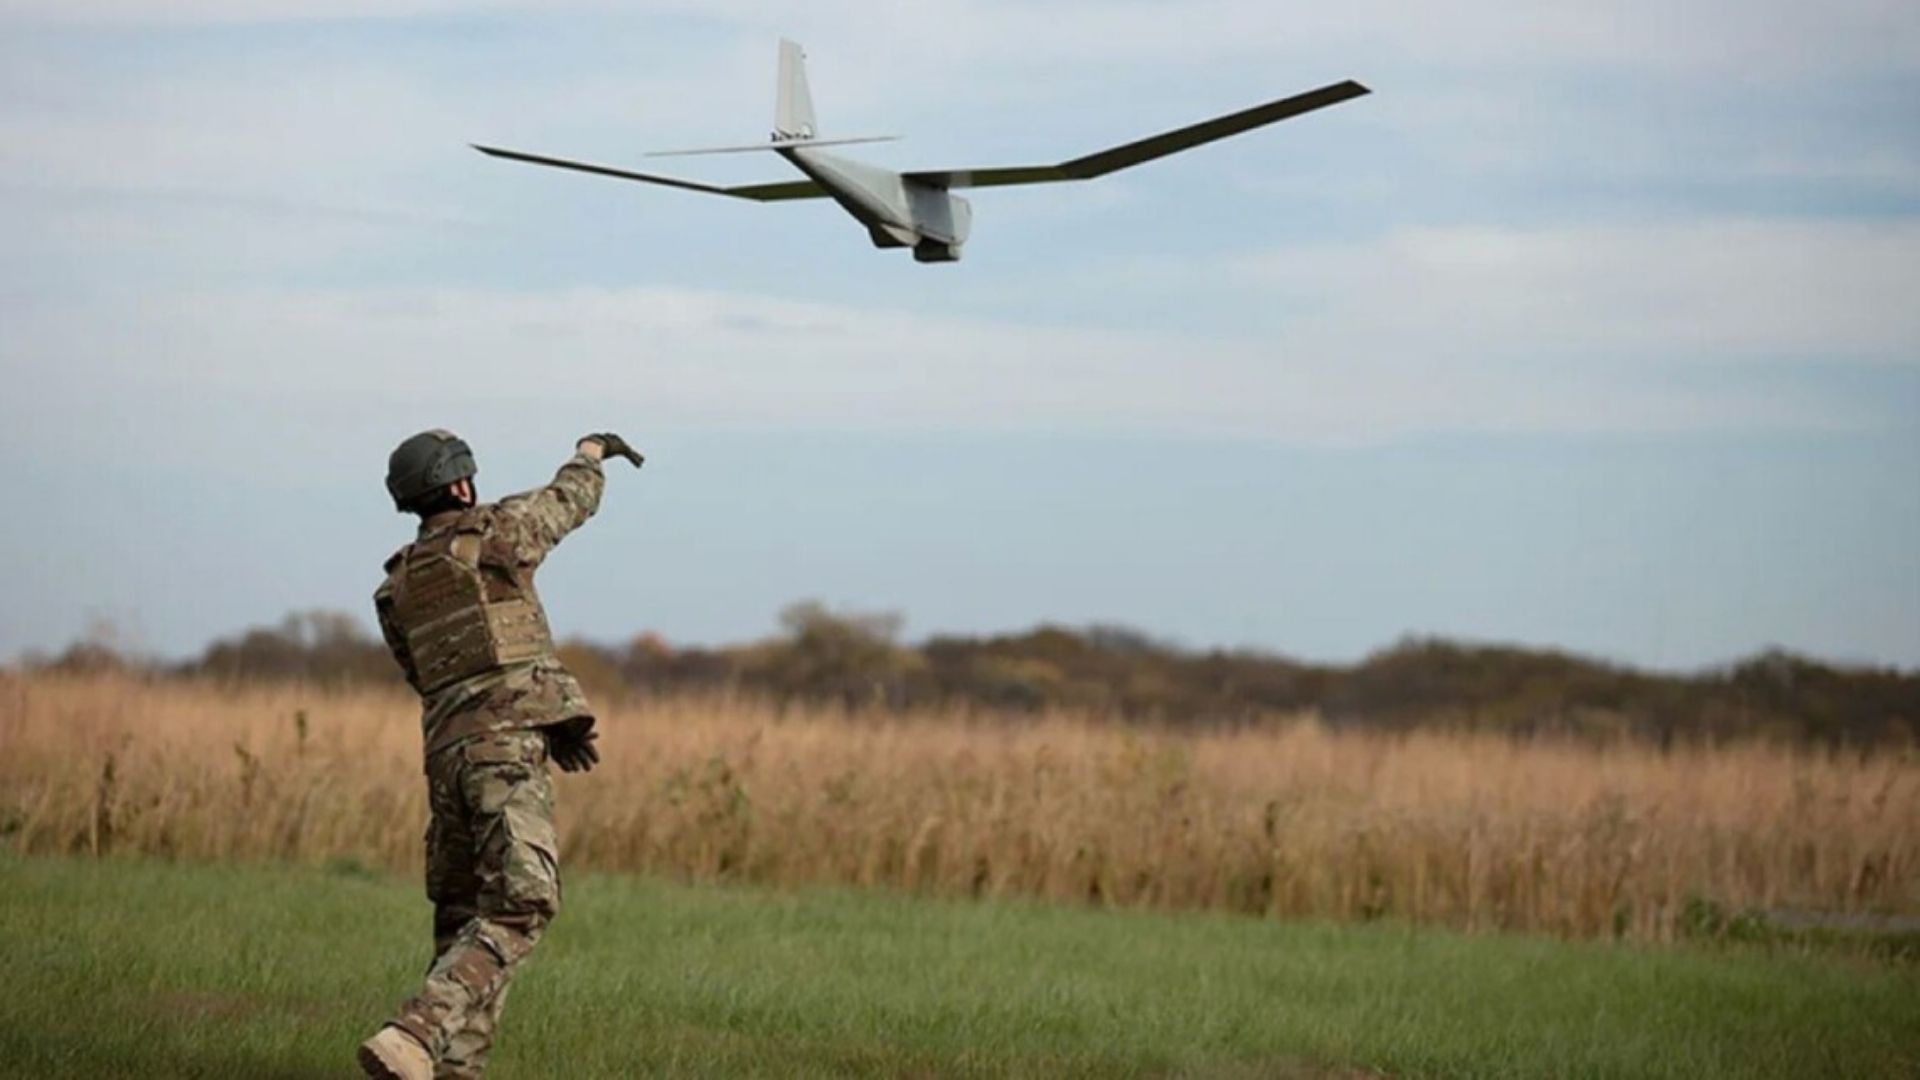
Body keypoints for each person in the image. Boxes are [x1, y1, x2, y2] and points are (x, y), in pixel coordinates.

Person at [358, 429, 643, 1080]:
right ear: (461, 484)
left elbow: (433, 677)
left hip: (448, 761)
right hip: (503, 755)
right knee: (523, 902)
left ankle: (445, 1068)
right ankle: (416, 1030)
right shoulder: (494, 533)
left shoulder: (395, 587)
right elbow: (566, 503)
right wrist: (591, 453)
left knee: (465, 923)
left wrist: (552, 718)